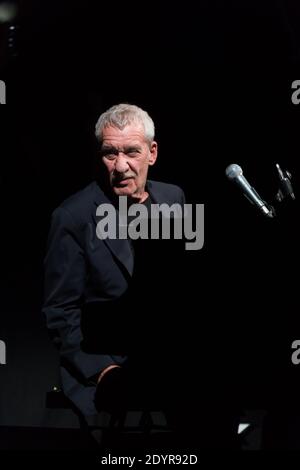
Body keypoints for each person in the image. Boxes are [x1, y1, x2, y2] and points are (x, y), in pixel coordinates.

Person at [42, 103, 238, 449]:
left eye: (131, 152)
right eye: (109, 153)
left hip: (166, 354)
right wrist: (102, 370)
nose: (120, 166)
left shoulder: (173, 198)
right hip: (108, 360)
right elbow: (60, 310)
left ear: (152, 153)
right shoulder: (72, 217)